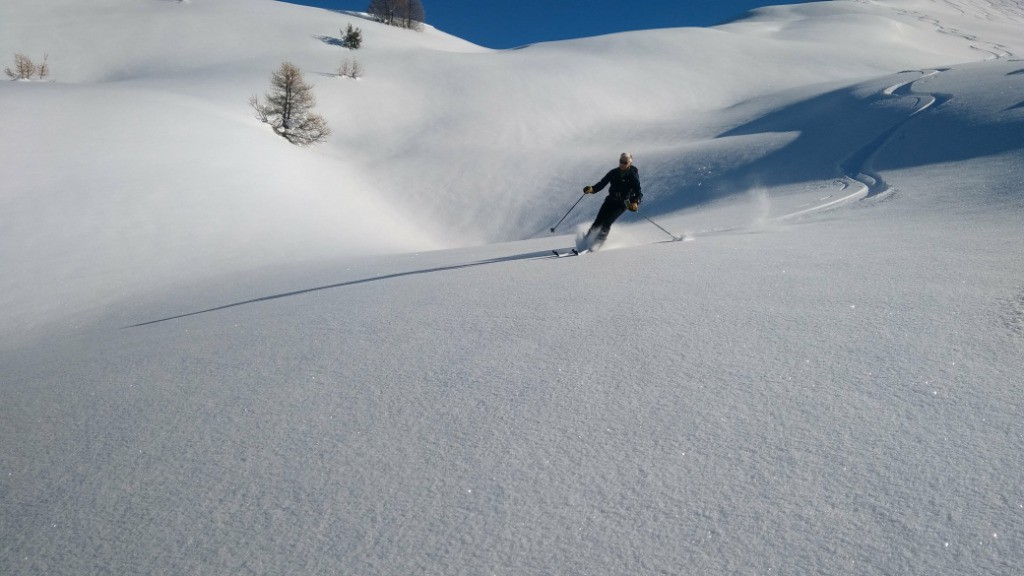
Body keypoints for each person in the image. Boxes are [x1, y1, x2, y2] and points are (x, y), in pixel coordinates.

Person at [581, 152, 642, 251]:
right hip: (610, 200)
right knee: (598, 222)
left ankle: (598, 244)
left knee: (606, 222)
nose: (622, 164)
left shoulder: (632, 176)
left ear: (629, 163)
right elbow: (601, 184)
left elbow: (638, 192)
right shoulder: (614, 172)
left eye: (625, 162)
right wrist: (591, 189)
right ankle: (586, 241)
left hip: (622, 203)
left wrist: (635, 202)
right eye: (621, 161)